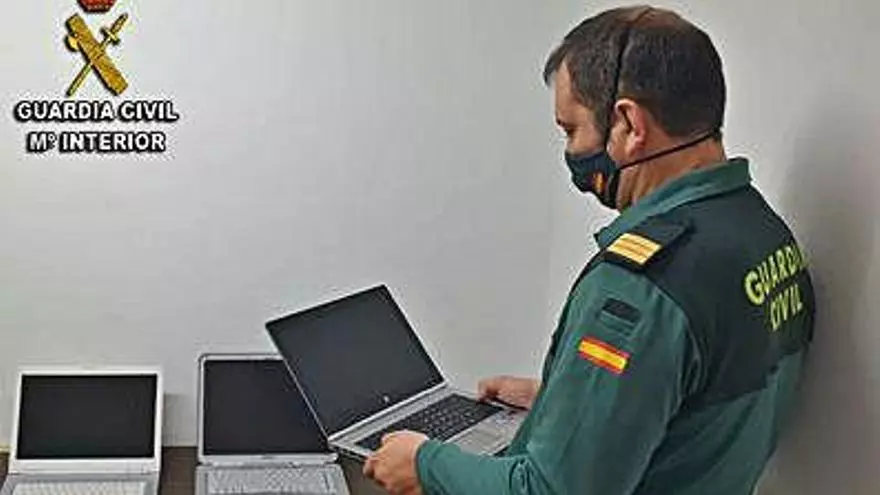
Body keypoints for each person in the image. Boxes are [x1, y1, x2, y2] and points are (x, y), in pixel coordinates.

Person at [363, 5, 815, 494]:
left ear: (629, 124)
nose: (570, 150)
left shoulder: (639, 285)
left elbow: (550, 490)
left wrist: (425, 464)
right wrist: (565, 401)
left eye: (571, 129)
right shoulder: (763, 233)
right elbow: (696, 404)